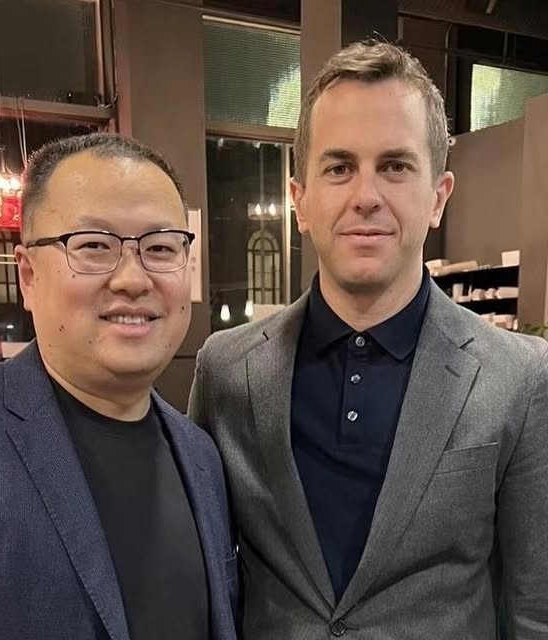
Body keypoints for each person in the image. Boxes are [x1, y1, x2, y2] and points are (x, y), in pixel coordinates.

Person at [189, 40, 548, 639]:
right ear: (300, 201)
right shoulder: (226, 371)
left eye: (395, 166)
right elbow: (208, 576)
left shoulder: (520, 378)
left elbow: (536, 608)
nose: (366, 196)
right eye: (339, 167)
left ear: (438, 196)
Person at [0, 133, 238, 640]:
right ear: (28, 275)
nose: (133, 279)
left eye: (159, 247)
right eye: (93, 246)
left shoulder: (201, 455)